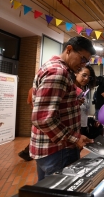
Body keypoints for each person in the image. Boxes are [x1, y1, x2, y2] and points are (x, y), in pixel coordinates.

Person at [30, 36, 96, 181]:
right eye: (82, 59)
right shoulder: (58, 72)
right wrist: (75, 137)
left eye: (87, 61)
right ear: (69, 49)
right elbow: (42, 118)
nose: (83, 64)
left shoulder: (52, 67)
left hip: (49, 149)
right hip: (58, 150)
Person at [74, 65, 103, 139]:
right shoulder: (72, 91)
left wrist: (92, 122)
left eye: (89, 77)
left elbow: (83, 112)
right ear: (76, 73)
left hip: (83, 127)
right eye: (84, 75)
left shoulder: (83, 91)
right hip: (74, 130)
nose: (86, 79)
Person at [18, 87, 33, 161]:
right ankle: (26, 153)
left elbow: (29, 102)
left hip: (34, 114)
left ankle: (26, 153)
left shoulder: (31, 89)